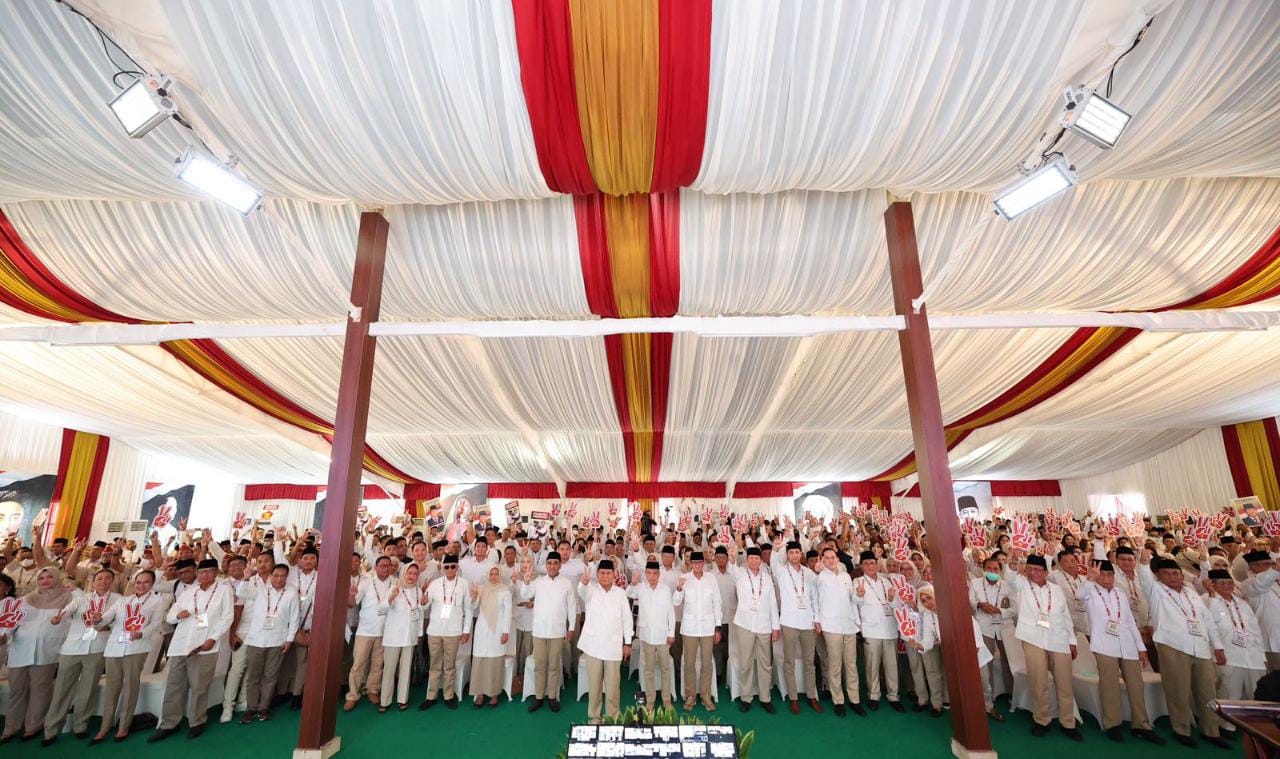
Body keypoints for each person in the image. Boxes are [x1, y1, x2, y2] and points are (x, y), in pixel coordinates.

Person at [1138, 554, 1228, 748]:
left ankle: (1211, 731)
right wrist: (1143, 561)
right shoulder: (1155, 590)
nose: (1172, 577)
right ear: (1158, 576)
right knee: (1177, 691)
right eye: (1166, 573)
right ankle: (1181, 730)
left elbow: (1207, 619)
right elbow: (1144, 577)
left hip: (1201, 646)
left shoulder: (1191, 593)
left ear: (1181, 575)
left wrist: (1218, 645)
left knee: (1207, 691)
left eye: (1175, 573)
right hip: (1173, 646)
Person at [1077, 561, 1162, 744]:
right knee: (1110, 686)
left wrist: (1141, 648)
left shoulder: (1120, 593)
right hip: (1104, 645)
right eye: (1102, 575)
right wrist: (1090, 579)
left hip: (1127, 645)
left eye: (1109, 575)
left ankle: (1142, 725)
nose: (1106, 578)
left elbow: (1130, 622)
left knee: (1136, 685)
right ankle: (1112, 725)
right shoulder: (1091, 591)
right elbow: (1079, 595)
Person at [151, 558, 233, 742]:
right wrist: (178, 616)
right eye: (201, 572)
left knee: (199, 687)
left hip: (205, 645)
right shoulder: (189, 593)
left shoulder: (223, 591)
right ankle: (169, 724)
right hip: (181, 644)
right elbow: (170, 616)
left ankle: (197, 722)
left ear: (216, 573)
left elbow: (227, 617)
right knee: (174, 686)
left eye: (208, 571)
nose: (203, 575)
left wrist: (212, 639)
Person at [41, 567, 120, 745]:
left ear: (112, 581)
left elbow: (120, 621)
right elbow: (67, 610)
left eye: (108, 578)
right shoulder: (81, 598)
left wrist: (108, 626)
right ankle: (51, 729)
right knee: (62, 689)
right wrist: (58, 618)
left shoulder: (118, 600)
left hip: (97, 648)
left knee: (88, 689)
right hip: (72, 648)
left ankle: (80, 725)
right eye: (99, 578)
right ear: (93, 581)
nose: (103, 581)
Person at [92, 569, 168, 743]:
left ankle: (123, 726)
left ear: (152, 584)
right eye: (138, 582)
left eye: (146, 582)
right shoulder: (123, 601)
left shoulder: (158, 601)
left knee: (131, 687)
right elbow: (106, 618)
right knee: (112, 688)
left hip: (137, 648)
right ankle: (105, 726)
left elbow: (156, 624)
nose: (141, 585)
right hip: (114, 648)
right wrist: (98, 619)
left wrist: (141, 633)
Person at [1013, 553, 1081, 740]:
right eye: (1029, 569)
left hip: (1058, 639)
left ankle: (1068, 722)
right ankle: (1042, 720)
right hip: (1032, 639)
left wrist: (1072, 641)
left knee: (1064, 683)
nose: (1032, 573)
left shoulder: (1056, 590)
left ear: (1045, 572)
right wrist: (1013, 562)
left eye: (1037, 570)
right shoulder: (1022, 586)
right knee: (1038, 682)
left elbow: (1065, 616)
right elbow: (1012, 578)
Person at [1, 566, 70, 743]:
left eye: (49, 577)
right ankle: (11, 727)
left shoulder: (67, 598)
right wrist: (4, 636)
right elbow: (11, 622)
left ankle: (33, 726)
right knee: (17, 691)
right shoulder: (25, 600)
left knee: (40, 690)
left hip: (47, 651)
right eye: (41, 578)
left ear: (57, 578)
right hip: (20, 650)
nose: (45, 581)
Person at [1207, 568, 1265, 740]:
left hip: (1252, 655)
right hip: (1229, 654)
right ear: (1213, 585)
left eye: (1229, 582)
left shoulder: (1242, 604)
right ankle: (1227, 726)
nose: (1227, 586)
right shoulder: (1208, 601)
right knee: (1229, 692)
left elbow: (1255, 630)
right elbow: (1211, 627)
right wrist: (1217, 650)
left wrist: (1261, 655)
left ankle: (1256, 726)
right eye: (1222, 583)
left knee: (1256, 692)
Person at [238, 563, 299, 723]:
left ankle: (263, 708)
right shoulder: (261, 589)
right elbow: (241, 592)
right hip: (256, 639)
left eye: (283, 576)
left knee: (270, 676)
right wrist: (246, 578)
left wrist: (289, 639)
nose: (279, 579)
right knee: (253, 676)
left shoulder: (292, 592)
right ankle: (251, 708)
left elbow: (294, 618)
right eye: (276, 575)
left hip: (278, 640)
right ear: (271, 576)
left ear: (287, 577)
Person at [577, 559, 633, 724]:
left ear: (614, 575)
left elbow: (627, 619)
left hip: (613, 647)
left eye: (608, 573)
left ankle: (612, 718)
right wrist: (583, 583)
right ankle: (594, 717)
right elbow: (582, 592)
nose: (605, 576)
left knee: (613, 686)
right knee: (594, 686)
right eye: (602, 573)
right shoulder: (591, 590)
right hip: (593, 646)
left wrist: (628, 643)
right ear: (597, 574)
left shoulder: (620, 593)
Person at [520, 550, 576, 713]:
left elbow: (572, 606)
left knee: (554, 666)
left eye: (555, 563)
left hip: (557, 631)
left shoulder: (566, 583)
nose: (552, 566)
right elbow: (525, 594)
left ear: (560, 565)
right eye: (549, 563)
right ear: (546, 565)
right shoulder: (538, 582)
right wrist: (526, 581)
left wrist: (571, 627)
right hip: (539, 630)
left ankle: (552, 697)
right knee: (539, 665)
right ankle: (539, 697)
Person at [814, 546, 863, 716]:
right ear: (822, 560)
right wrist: (817, 621)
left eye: (832, 557)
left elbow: (853, 600)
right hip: (831, 626)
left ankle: (855, 699)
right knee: (835, 664)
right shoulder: (820, 578)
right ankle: (838, 700)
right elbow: (815, 600)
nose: (830, 560)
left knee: (851, 664)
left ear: (838, 559)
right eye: (826, 558)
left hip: (849, 625)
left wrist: (859, 595)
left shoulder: (846, 577)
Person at [774, 540, 821, 713]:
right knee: (789, 661)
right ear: (787, 555)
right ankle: (793, 697)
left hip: (808, 621)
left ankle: (811, 696)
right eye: (791, 552)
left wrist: (817, 619)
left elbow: (815, 597)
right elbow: (774, 560)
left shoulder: (809, 573)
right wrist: (780, 546)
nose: (794, 555)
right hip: (789, 622)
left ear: (801, 554)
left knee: (810, 661)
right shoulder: (781, 571)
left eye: (797, 552)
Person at [420, 553, 472, 710]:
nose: (449, 569)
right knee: (434, 665)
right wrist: (423, 602)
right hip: (435, 630)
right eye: (446, 567)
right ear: (442, 568)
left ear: (457, 567)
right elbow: (425, 606)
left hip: (453, 631)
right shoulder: (435, 584)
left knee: (449, 666)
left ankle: (448, 695)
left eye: (452, 566)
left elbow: (469, 609)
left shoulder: (464, 584)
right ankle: (431, 695)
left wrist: (466, 630)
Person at [852, 550, 902, 711]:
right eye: (866, 564)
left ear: (877, 564)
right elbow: (855, 601)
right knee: (872, 665)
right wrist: (859, 595)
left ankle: (893, 695)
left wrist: (892, 598)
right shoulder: (858, 581)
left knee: (891, 665)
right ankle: (873, 695)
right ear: (861, 566)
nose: (870, 566)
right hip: (871, 629)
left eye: (872, 563)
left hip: (889, 628)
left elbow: (897, 605)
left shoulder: (886, 581)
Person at [733, 546, 780, 713]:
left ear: (760, 561)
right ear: (747, 560)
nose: (754, 561)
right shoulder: (739, 574)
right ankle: (746, 697)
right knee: (745, 663)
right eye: (751, 558)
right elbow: (732, 565)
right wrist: (733, 552)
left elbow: (773, 603)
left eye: (757, 558)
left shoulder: (767, 578)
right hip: (745, 624)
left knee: (765, 663)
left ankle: (765, 697)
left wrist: (775, 627)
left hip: (764, 625)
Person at [629, 560, 680, 710]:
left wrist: (671, 633)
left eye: (654, 573)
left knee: (665, 669)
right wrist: (633, 583)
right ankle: (650, 699)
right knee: (649, 670)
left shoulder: (665, 589)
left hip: (663, 636)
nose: (652, 576)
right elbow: (628, 593)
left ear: (659, 574)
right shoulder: (640, 588)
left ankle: (666, 700)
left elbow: (671, 612)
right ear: (646, 574)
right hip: (647, 636)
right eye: (649, 573)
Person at [346, 555, 395, 711]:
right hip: (365, 630)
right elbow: (352, 604)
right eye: (382, 565)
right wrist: (351, 594)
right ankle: (353, 695)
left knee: (377, 665)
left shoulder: (396, 583)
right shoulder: (366, 583)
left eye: (388, 565)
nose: (386, 568)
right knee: (358, 664)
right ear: (375, 567)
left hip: (385, 631)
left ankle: (372, 689)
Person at [678, 550, 721, 711]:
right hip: (689, 628)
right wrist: (679, 588)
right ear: (690, 564)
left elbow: (717, 603)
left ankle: (706, 695)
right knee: (689, 663)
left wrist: (718, 627)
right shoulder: (684, 578)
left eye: (700, 562)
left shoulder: (711, 579)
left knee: (707, 663)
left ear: (703, 563)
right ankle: (690, 696)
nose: (697, 565)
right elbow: (676, 602)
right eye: (694, 563)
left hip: (708, 628)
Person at [380, 563, 423, 712]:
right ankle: (385, 701)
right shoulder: (394, 587)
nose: (412, 576)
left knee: (406, 669)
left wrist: (419, 634)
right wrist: (391, 597)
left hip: (409, 636)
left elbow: (420, 613)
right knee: (389, 669)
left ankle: (402, 699)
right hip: (393, 636)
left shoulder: (418, 591)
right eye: (409, 573)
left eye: (415, 574)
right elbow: (381, 609)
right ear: (404, 573)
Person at [470, 565, 512, 707]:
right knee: (480, 660)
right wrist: (474, 596)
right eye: (491, 574)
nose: (493, 577)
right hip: (482, 628)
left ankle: (494, 694)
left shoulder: (505, 590)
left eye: (496, 574)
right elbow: (473, 607)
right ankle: (480, 693)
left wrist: (505, 632)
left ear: (500, 575)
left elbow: (508, 613)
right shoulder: (481, 589)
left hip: (498, 630)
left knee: (495, 661)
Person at [1239, 549, 1280, 672]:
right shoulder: (1248, 584)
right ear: (1253, 567)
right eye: (1267, 564)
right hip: (1271, 640)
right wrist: (1275, 570)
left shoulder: (1276, 582)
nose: (1272, 567)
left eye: (1272, 564)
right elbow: (1261, 584)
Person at [711, 545, 737, 686]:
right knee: (717, 648)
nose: (721, 560)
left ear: (727, 559)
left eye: (723, 557)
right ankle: (718, 674)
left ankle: (730, 676)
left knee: (731, 648)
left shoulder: (734, 575)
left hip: (732, 617)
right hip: (717, 619)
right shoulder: (710, 576)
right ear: (714, 559)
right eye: (718, 557)